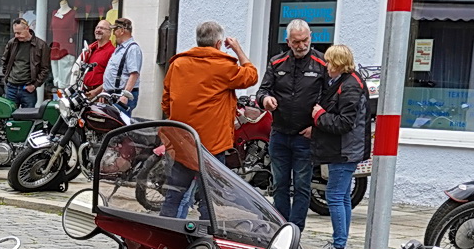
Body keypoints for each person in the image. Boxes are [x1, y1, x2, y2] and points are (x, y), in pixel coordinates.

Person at [159, 21, 256, 219]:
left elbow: (166, 101)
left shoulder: (178, 64)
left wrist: (179, 120)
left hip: (184, 140)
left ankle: (164, 235)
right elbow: (251, 76)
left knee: (175, 193)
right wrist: (238, 49)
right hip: (213, 144)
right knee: (208, 196)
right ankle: (206, 237)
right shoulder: (224, 66)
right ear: (219, 43)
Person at [259, 19, 326, 229]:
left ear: (311, 37)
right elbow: (263, 91)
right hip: (279, 133)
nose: (301, 45)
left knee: (302, 186)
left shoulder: (322, 63)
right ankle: (280, 228)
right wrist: (265, 100)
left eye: (305, 40)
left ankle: (296, 230)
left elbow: (330, 99)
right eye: (296, 42)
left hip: (305, 135)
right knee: (279, 184)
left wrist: (317, 126)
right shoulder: (276, 62)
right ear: (288, 41)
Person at [309, 43, 369, 249]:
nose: (326, 67)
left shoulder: (350, 87)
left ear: (339, 64)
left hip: (345, 150)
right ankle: (338, 240)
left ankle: (340, 247)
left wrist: (319, 116)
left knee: (334, 196)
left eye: (329, 62)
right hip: (344, 149)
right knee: (342, 197)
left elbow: (344, 123)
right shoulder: (345, 81)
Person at [0, 18, 49, 108]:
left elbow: (45, 69)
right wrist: (7, 77)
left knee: (28, 119)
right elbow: (4, 61)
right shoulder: (12, 43)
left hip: (28, 88)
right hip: (11, 87)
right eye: (15, 33)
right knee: (9, 118)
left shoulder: (41, 45)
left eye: (19, 33)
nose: (16, 35)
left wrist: (34, 85)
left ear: (27, 29)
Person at [102, 18, 142, 114]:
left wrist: (125, 95)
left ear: (122, 31)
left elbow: (134, 74)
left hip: (121, 95)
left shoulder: (133, 49)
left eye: (115, 30)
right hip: (113, 94)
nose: (113, 33)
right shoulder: (120, 48)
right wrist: (105, 90)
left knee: (120, 126)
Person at [82, 18, 114, 94]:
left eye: (102, 28)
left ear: (109, 33)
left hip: (98, 94)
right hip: (85, 91)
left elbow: (112, 78)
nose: (98, 30)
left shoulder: (112, 52)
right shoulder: (91, 49)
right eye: (97, 27)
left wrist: (98, 92)